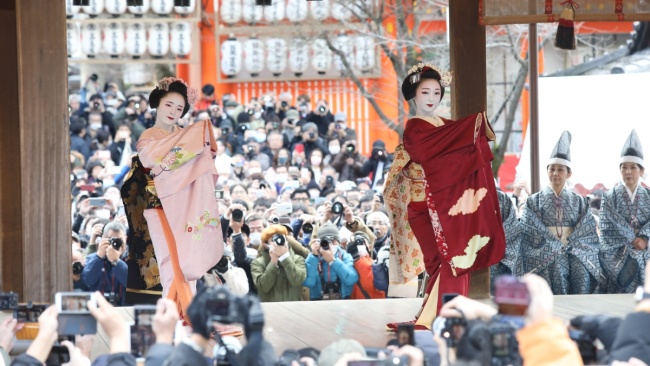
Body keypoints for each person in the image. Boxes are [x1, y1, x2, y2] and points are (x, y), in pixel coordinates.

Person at [384, 63, 505, 330]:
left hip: (440, 205)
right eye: (425, 92)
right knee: (448, 260)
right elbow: (433, 152)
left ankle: (438, 316)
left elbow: (461, 141)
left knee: (448, 261)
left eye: (436, 93)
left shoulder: (442, 125)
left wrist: (472, 132)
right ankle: (443, 317)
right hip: (423, 207)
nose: (431, 99)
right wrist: (472, 126)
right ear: (413, 95)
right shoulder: (414, 129)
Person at [123, 77, 224, 318]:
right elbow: (152, 160)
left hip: (184, 204)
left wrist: (194, 145)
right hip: (158, 206)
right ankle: (175, 316)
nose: (173, 112)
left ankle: (184, 314)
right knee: (170, 261)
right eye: (169, 105)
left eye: (179, 108)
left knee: (189, 258)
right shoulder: (149, 135)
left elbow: (200, 159)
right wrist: (190, 146)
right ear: (158, 103)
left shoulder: (187, 135)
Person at [520, 131, 601, 295]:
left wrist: (571, 247)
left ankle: (579, 309)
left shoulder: (579, 202)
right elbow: (531, 230)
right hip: (544, 251)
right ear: (547, 171)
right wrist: (555, 247)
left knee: (581, 268)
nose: (555, 173)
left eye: (560, 169)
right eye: (552, 169)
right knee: (556, 263)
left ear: (569, 173)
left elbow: (586, 232)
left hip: (574, 249)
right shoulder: (533, 201)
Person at [600, 129, 650, 293]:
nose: (628, 172)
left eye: (633, 167)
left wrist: (645, 240)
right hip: (618, 251)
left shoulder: (648, 195)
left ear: (641, 171)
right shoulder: (609, 197)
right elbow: (607, 226)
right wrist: (632, 242)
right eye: (624, 167)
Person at [303, 222, 359, 300]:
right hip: (318, 302)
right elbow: (308, 283)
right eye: (325, 242)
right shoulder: (313, 258)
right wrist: (314, 256)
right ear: (319, 243)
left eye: (333, 241)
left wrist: (333, 261)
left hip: (342, 301)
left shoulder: (345, 257)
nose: (330, 245)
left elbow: (351, 280)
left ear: (339, 243)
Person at [251, 225, 307, 302]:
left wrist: (285, 257)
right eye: (273, 239)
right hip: (270, 310)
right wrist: (273, 262)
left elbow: (297, 281)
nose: (278, 242)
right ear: (266, 245)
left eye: (282, 238)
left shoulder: (298, 259)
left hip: (294, 308)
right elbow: (264, 287)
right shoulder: (258, 263)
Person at [81, 222, 128, 305]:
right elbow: (87, 281)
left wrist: (117, 261)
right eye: (112, 239)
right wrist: (99, 257)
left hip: (125, 310)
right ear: (103, 239)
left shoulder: (133, 260)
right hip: (98, 308)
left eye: (119, 240)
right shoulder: (92, 258)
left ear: (126, 239)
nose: (115, 244)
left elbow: (131, 284)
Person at [490, 190, 523, 294]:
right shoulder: (462, 195)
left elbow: (512, 228)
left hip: (495, 258)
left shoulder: (501, 198)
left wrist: (495, 246)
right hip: (467, 257)